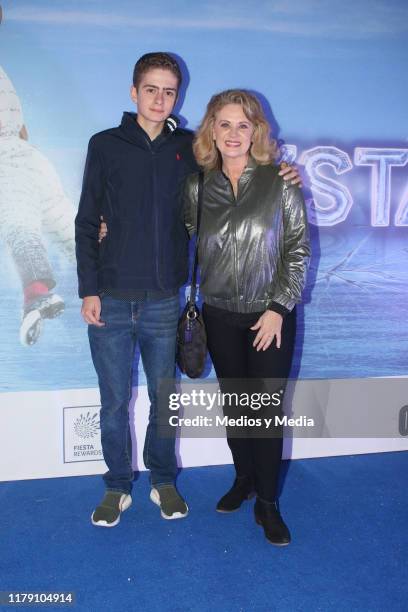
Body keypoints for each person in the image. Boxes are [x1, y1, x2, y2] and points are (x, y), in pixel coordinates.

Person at [77, 52, 301, 528]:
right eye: (151, 89)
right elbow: (91, 220)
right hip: (133, 300)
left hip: (179, 303)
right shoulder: (120, 150)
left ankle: (186, 485)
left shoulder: (205, 158)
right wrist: (91, 280)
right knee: (119, 402)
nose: (160, 99)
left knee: (177, 400)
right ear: (134, 92)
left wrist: (285, 173)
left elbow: (284, 242)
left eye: (169, 91)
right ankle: (120, 486)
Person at [183, 90, 310, 545]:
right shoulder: (198, 186)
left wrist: (278, 308)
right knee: (237, 409)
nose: (233, 134)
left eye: (243, 125)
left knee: (266, 412)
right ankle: (244, 479)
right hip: (220, 316)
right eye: (224, 124)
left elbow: (298, 251)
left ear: (256, 130)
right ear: (210, 130)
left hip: (269, 317)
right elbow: (179, 238)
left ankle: (268, 502)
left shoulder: (281, 182)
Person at [0, 65, 76, 346]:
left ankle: (36, 294)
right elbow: (23, 130)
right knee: (66, 227)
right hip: (31, 159)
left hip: (8, 162)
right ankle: (114, 282)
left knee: (19, 225)